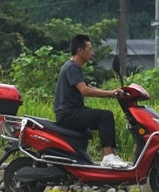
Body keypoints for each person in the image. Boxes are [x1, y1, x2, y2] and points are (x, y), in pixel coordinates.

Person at [54, 34, 128, 167]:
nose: (92, 53)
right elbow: (84, 90)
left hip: (72, 111)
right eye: (90, 49)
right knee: (105, 116)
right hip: (68, 113)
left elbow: (89, 86)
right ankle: (108, 157)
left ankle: (112, 155)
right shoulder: (71, 67)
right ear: (80, 50)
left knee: (100, 121)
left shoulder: (74, 67)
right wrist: (111, 93)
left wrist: (112, 91)